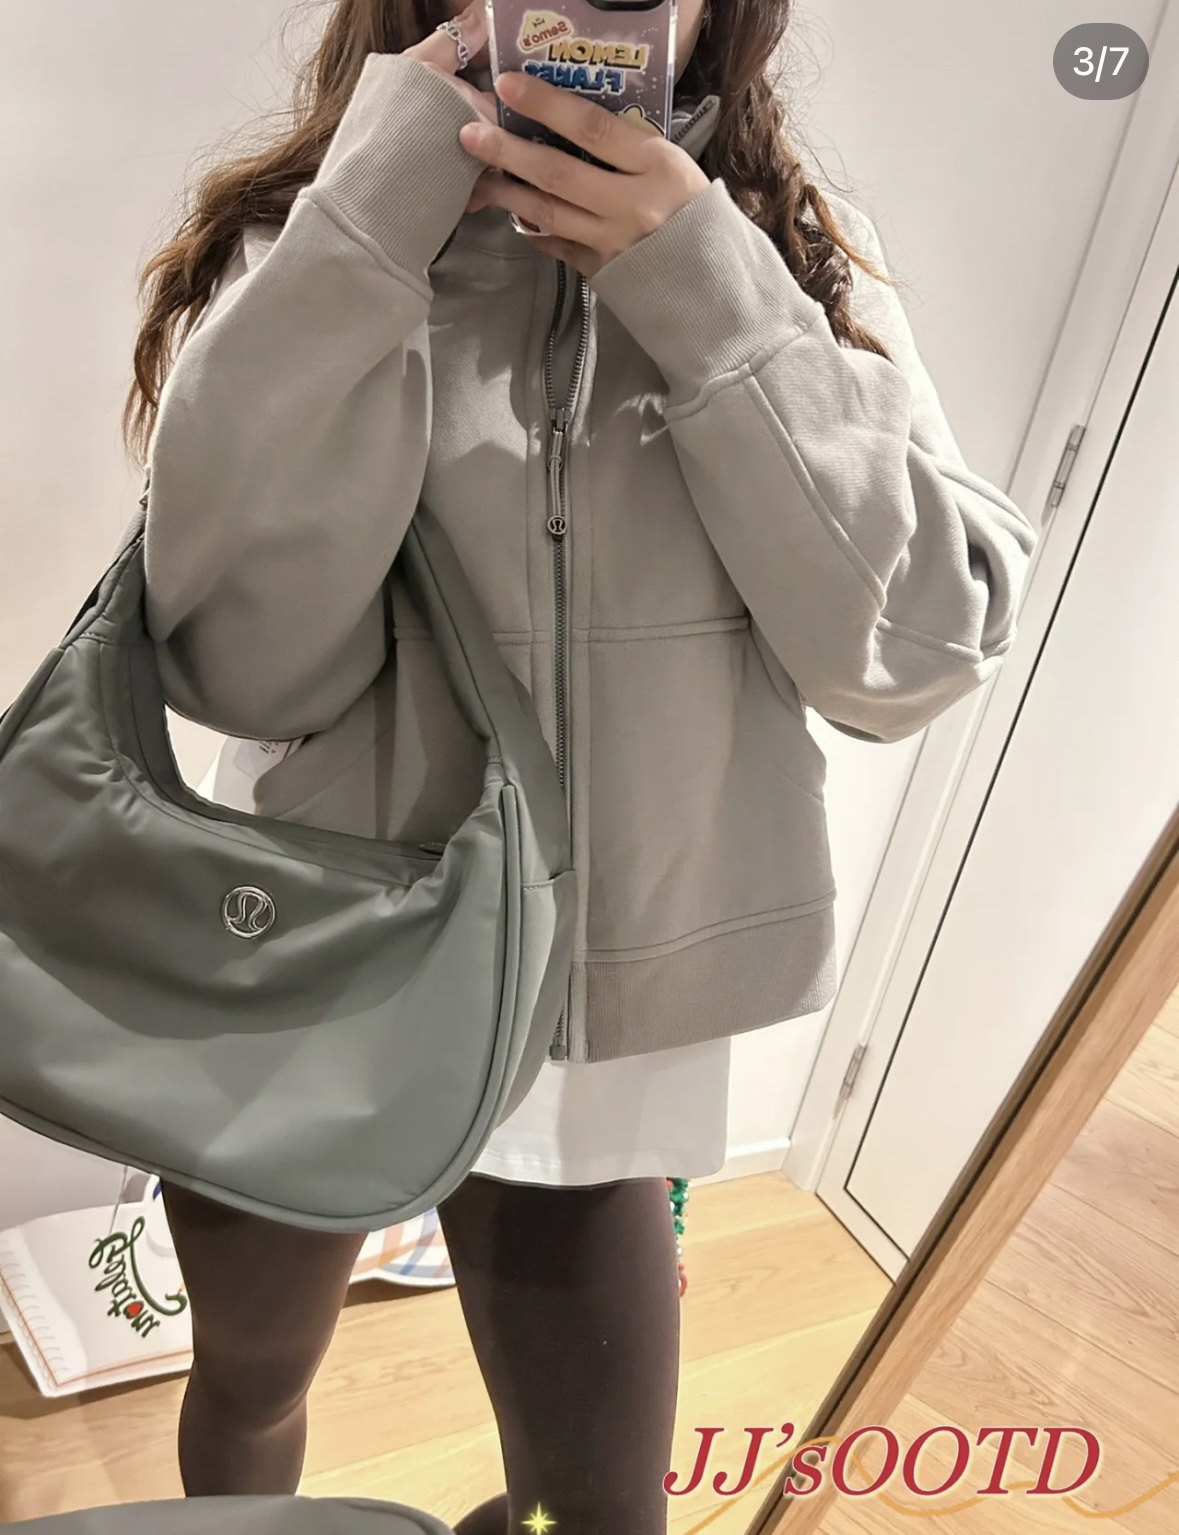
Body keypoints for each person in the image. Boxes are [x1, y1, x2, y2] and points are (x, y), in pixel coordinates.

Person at [126, 0, 1036, 1529]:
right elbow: (246, 666)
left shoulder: (788, 253)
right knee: (253, 1386)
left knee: (598, 1515)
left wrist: (708, 294)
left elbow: (912, 657)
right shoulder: (315, 231)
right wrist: (374, 228)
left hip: (601, 1024)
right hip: (321, 971)